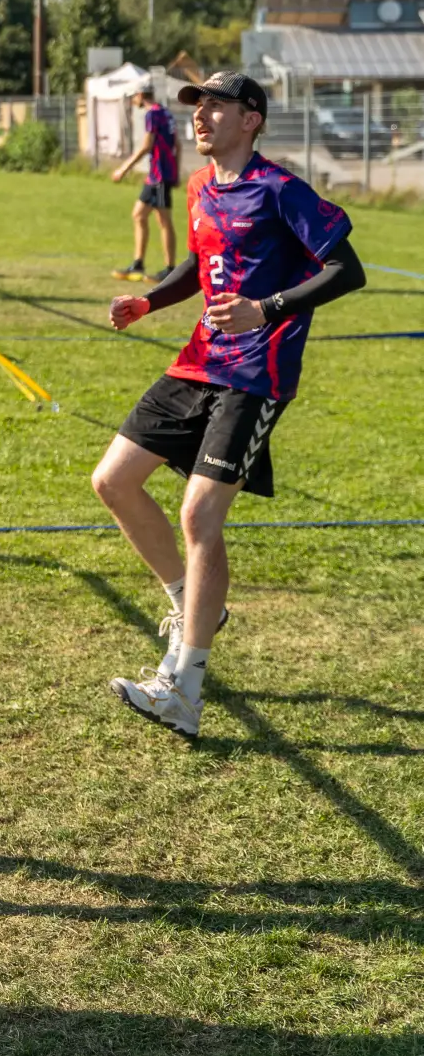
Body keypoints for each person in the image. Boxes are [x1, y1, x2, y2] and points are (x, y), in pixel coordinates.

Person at [92, 70, 365, 741]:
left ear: (251, 119)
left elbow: (346, 268)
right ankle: (192, 603)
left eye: (217, 104)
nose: (201, 115)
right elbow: (198, 263)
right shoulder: (198, 187)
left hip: (255, 375)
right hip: (197, 363)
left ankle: (182, 690)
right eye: (197, 105)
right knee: (113, 480)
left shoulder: (280, 190)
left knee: (199, 515)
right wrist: (148, 300)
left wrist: (264, 309)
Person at [112, 86, 178, 280]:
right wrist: (175, 171)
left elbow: (146, 146)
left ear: (141, 95)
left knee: (163, 220)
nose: (132, 101)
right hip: (158, 175)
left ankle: (170, 269)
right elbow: (178, 145)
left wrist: (123, 169)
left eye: (133, 96)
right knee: (139, 215)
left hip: (160, 175)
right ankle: (138, 264)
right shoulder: (165, 112)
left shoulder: (152, 114)